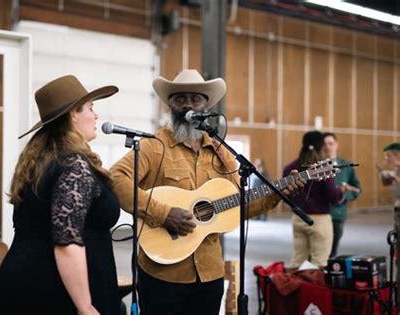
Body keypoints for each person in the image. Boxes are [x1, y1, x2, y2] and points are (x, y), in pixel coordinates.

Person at [109, 69, 305, 315]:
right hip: (162, 273)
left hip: (209, 274)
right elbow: (115, 178)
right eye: (180, 99)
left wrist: (277, 192)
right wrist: (163, 213)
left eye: (195, 99)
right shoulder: (154, 146)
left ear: (207, 105)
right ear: (170, 104)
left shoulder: (222, 154)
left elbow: (238, 206)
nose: (188, 105)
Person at [0, 75, 121, 315]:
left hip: (24, 278)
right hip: (55, 289)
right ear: (74, 113)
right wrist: (84, 305)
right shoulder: (74, 165)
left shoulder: (39, 160)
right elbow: (66, 242)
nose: (96, 116)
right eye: (91, 108)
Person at [283, 130, 345, 269]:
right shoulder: (323, 167)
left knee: (297, 261)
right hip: (319, 221)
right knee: (319, 263)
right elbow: (333, 196)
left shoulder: (289, 168)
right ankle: (313, 290)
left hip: (298, 218)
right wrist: (341, 193)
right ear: (321, 146)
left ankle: (293, 289)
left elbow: (285, 194)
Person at [323, 132, 361, 258]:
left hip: (338, 215)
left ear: (336, 145)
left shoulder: (347, 167)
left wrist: (345, 196)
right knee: (319, 251)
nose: (328, 147)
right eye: (325, 144)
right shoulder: (315, 166)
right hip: (320, 215)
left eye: (331, 143)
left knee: (332, 252)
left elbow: (357, 189)